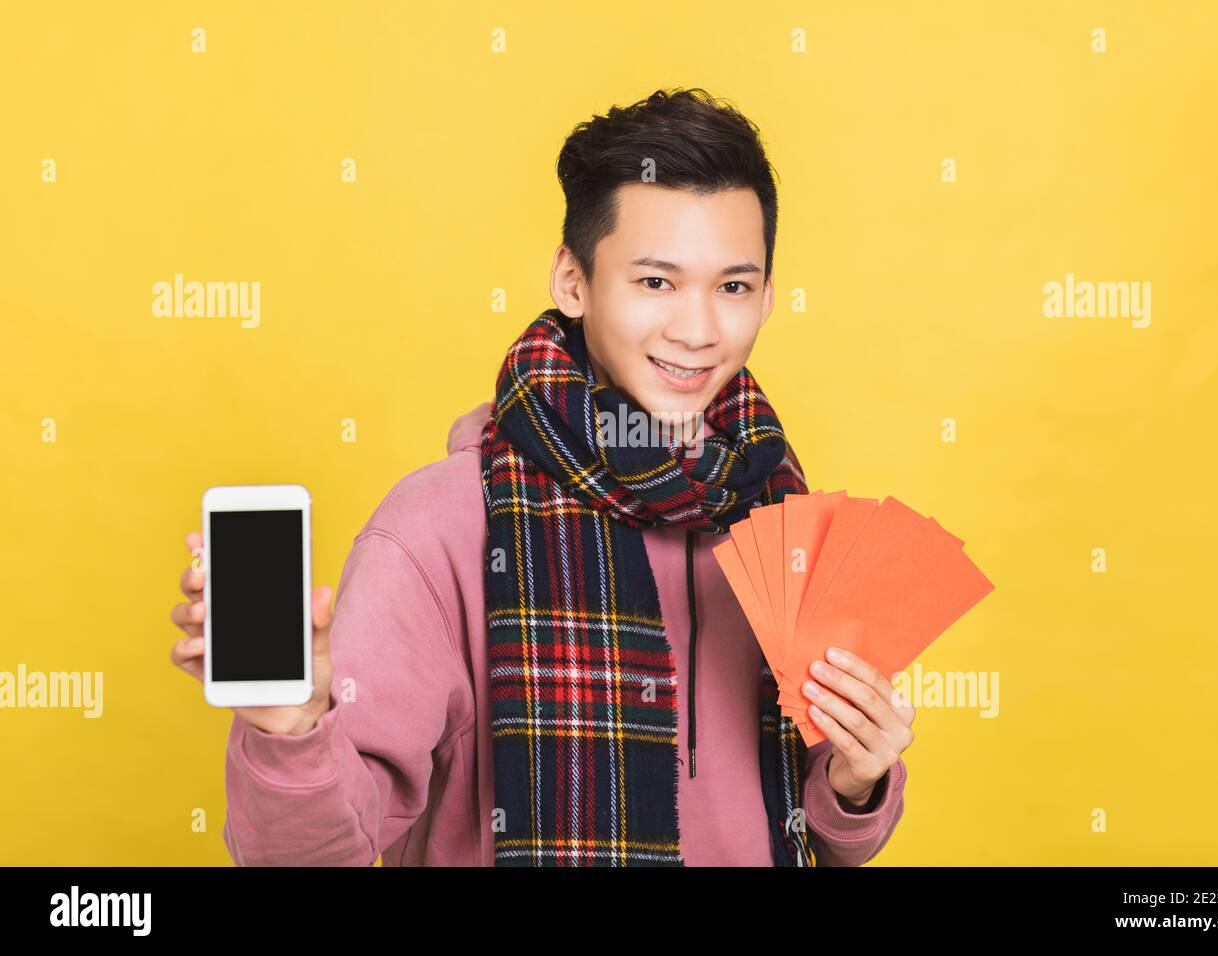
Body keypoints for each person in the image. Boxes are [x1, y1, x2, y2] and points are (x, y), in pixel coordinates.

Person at [169, 87, 914, 866]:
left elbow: (814, 837)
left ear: (766, 296)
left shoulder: (781, 511)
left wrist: (856, 780)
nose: (697, 330)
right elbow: (317, 856)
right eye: (655, 282)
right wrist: (289, 728)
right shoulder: (443, 528)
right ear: (573, 281)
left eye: (732, 286)